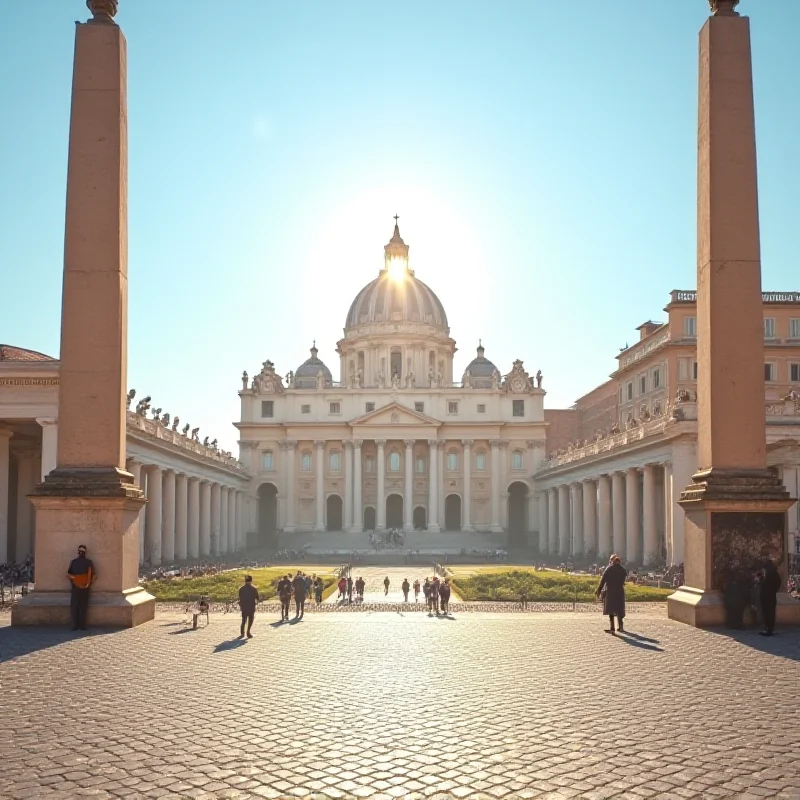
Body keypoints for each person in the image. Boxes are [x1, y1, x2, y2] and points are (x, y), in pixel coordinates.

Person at [595, 555, 627, 634]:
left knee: (611, 610)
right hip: (620, 591)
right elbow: (623, 580)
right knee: (619, 609)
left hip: (611, 591)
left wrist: (598, 590)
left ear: (612, 561)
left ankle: (612, 628)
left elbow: (603, 580)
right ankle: (621, 627)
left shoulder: (609, 569)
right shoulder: (623, 570)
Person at [67, 544, 95, 631]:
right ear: (85, 553)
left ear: (78, 552)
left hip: (75, 587)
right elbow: (93, 576)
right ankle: (82, 625)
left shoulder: (73, 562)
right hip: (85, 588)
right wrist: (88, 584)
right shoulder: (89, 562)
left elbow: (69, 574)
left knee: (75, 606)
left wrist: (75, 581)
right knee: (83, 606)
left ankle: (75, 625)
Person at [760, 559, 782, 636]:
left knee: (766, 612)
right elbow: (779, 583)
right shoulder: (775, 573)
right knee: (771, 612)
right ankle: (770, 628)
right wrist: (774, 590)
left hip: (766, 595)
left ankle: (768, 629)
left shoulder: (767, 572)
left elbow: (764, 583)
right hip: (772, 595)